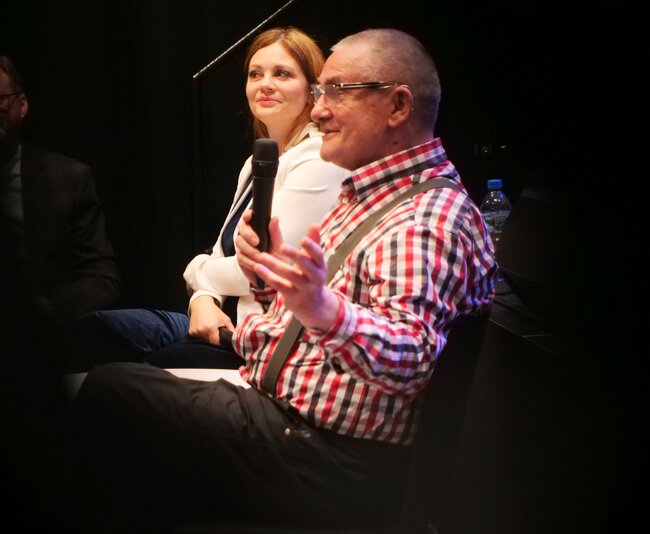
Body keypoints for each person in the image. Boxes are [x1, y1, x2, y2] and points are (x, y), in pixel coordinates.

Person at [70, 28, 496, 533]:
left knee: (110, 392)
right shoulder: (375, 192)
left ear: (398, 106)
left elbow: (412, 356)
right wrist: (266, 277)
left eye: (336, 91)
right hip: (289, 422)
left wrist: (322, 310)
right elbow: (325, 305)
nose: (319, 111)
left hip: (328, 459)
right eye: (319, 92)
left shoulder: (424, 219)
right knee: (113, 379)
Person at [63, 26, 347, 371]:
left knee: (139, 372)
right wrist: (202, 298)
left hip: (258, 338)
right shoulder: (257, 162)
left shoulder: (318, 159)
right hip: (218, 318)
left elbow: (264, 273)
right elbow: (222, 255)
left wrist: (195, 270)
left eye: (282, 74)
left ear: (312, 89)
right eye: (255, 74)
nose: (265, 84)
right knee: (92, 331)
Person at [0, 55, 121, 362]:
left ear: (22, 105)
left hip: (38, 347)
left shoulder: (67, 179)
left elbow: (102, 281)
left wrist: (36, 310)